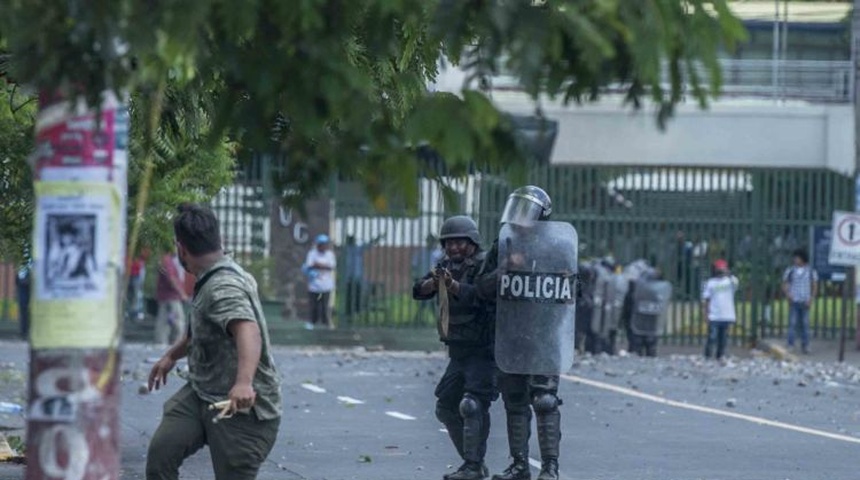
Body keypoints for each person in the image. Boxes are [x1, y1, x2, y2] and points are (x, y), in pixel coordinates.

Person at [145, 203, 282, 480]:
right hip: (202, 394)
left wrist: (243, 382)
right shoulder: (216, 274)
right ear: (218, 240)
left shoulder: (223, 286)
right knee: (161, 457)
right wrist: (171, 356)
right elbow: (202, 327)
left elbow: (248, 330)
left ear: (181, 248)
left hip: (244, 410)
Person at [481, 186, 563, 480]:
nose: (519, 219)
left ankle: (551, 468)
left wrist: (563, 277)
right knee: (514, 399)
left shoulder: (557, 248)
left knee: (545, 400)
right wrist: (502, 269)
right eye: (516, 210)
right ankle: (519, 466)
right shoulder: (501, 246)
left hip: (543, 335)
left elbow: (575, 293)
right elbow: (481, 289)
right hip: (511, 334)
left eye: (526, 212)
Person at [412, 216, 496, 480]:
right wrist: (434, 283)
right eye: (449, 243)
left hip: (483, 349)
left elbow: (479, 294)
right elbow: (419, 290)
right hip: (459, 350)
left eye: (460, 242)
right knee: (446, 406)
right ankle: (473, 464)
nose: (454, 248)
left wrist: (451, 285)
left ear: (472, 242)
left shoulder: (484, 266)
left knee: (472, 405)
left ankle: (473, 465)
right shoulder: (446, 266)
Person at [782, 248, 818, 354]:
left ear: (803, 259)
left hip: (805, 300)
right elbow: (785, 284)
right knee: (792, 324)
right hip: (795, 300)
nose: (795, 259)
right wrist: (788, 294)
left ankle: (806, 345)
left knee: (805, 324)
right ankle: (790, 344)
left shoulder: (811, 271)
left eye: (797, 258)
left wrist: (811, 298)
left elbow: (814, 286)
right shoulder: (790, 271)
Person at [702, 259, 739, 360]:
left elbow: (735, 282)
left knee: (723, 338)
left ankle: (720, 355)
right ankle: (708, 354)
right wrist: (706, 313)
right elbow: (706, 299)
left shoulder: (730, 281)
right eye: (719, 270)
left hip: (727, 314)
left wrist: (728, 273)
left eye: (722, 269)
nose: (720, 272)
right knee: (712, 336)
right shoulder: (710, 283)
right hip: (714, 314)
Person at [343, 233, 384, 316]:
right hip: (349, 277)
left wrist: (377, 238)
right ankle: (349, 312)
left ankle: (357, 311)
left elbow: (369, 244)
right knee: (349, 294)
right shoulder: (346, 249)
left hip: (357, 276)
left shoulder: (357, 248)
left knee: (357, 293)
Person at [154, 248, 188, 346]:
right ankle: (177, 342)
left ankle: (161, 341)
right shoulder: (167, 261)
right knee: (178, 320)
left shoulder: (166, 260)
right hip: (171, 297)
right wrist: (182, 293)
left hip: (166, 296)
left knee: (164, 319)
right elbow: (171, 279)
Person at [303, 234, 336, 329]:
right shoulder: (312, 253)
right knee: (314, 305)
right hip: (314, 285)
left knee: (325, 306)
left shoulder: (330, 255)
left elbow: (331, 266)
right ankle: (312, 322)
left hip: (326, 285)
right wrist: (321, 265)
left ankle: (326, 323)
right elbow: (309, 265)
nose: (323, 246)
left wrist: (317, 264)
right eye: (321, 244)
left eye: (325, 244)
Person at [413, 234, 445, 322]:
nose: (431, 243)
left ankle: (418, 319)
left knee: (430, 301)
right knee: (427, 300)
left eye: (432, 241)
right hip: (423, 278)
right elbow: (414, 265)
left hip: (435, 280)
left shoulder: (439, 254)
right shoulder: (421, 253)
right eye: (429, 241)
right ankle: (421, 319)